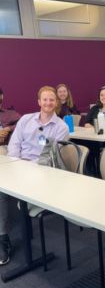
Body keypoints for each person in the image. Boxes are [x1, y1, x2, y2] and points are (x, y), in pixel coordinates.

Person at [6, 86, 69, 265]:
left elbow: (49, 156)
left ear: (56, 102)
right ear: (39, 102)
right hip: (18, 165)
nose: (48, 103)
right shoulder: (25, 119)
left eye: (52, 100)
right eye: (45, 99)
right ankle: (3, 236)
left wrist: (26, 169)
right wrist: (15, 165)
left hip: (42, 171)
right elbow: (14, 144)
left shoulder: (61, 127)